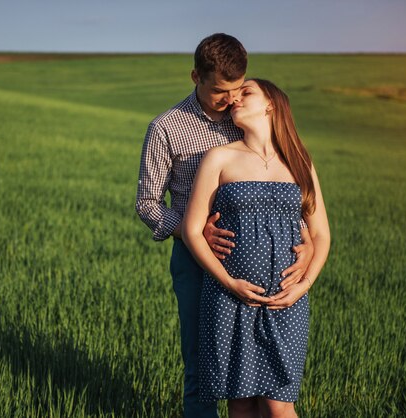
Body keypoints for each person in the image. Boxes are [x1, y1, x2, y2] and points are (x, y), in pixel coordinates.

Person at [135, 33, 315, 418]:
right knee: (203, 365)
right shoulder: (166, 128)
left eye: (237, 90)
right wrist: (191, 230)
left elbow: (288, 191)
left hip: (259, 262)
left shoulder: (243, 118)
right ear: (195, 76)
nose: (231, 99)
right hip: (195, 257)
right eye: (219, 91)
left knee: (254, 378)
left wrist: (310, 244)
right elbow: (147, 203)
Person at [181, 78, 331, 418]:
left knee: (279, 405)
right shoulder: (219, 157)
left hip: (286, 299)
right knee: (242, 403)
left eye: (246, 92)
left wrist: (303, 286)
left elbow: (321, 234)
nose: (236, 98)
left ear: (270, 105)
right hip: (229, 296)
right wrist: (228, 282)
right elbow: (192, 230)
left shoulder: (299, 161)